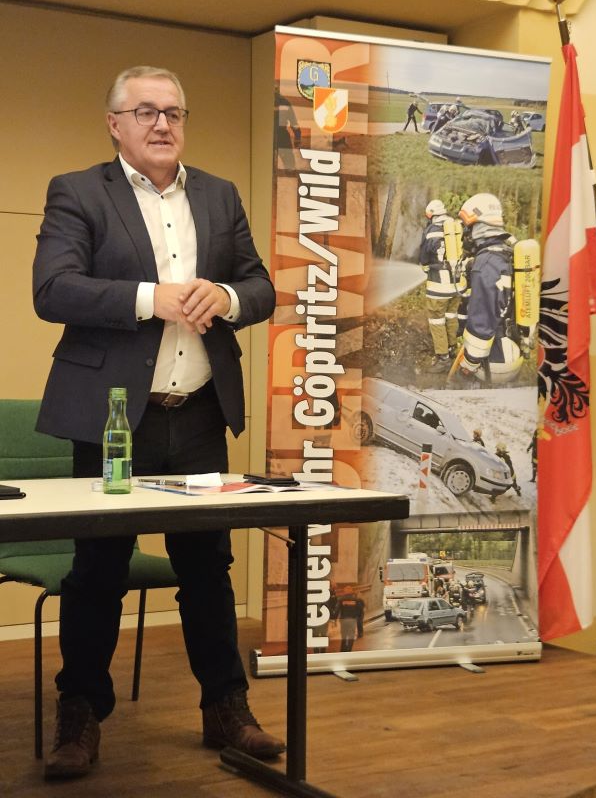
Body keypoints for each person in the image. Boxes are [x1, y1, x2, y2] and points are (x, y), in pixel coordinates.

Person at [32, 65, 283, 780]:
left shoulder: (219, 194)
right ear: (115, 124)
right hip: (114, 420)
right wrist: (152, 298)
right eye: (145, 111)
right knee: (99, 569)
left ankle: (226, 708)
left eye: (173, 112)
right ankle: (81, 712)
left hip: (198, 414)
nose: (162, 124)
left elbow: (261, 286)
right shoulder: (79, 191)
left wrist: (226, 298)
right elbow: (53, 289)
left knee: (207, 568)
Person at [457, 193, 523, 385]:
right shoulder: (505, 251)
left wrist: (469, 364)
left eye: (467, 227)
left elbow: (483, 322)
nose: (465, 233)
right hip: (509, 348)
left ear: (479, 226)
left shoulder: (486, 264)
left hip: (494, 361)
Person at [419, 199, 466, 373]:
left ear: (430, 215)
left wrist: (425, 267)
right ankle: (453, 348)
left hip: (439, 287)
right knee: (451, 315)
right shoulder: (456, 226)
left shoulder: (431, 231)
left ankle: (443, 358)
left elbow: (424, 258)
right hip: (457, 285)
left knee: (436, 320)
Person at [334, 585, 365, 652]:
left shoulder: (341, 599)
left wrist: (334, 619)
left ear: (344, 592)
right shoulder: (356, 600)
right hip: (352, 620)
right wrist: (359, 618)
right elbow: (360, 609)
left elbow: (337, 610)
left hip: (343, 620)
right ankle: (348, 650)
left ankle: (343, 650)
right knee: (351, 636)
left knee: (344, 636)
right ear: (352, 592)